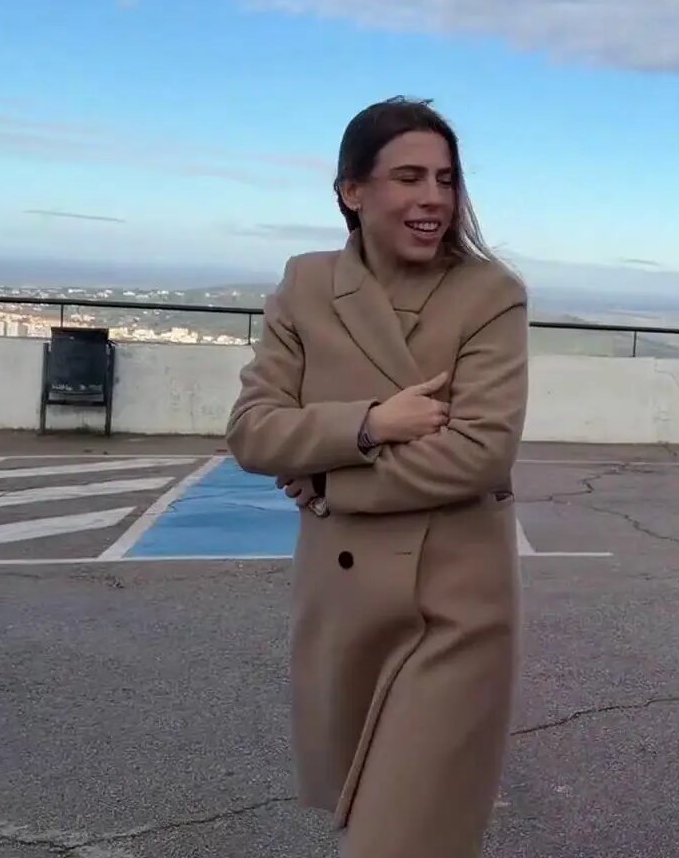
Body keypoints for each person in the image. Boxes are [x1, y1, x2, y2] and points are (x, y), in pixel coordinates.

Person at [225, 96, 529, 858]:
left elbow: (481, 451)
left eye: (445, 179)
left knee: (400, 838)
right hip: (344, 607)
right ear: (352, 191)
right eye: (409, 178)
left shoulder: (490, 294)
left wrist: (330, 481)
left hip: (453, 610)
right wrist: (368, 424)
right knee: (385, 828)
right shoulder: (307, 284)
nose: (434, 198)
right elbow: (253, 430)